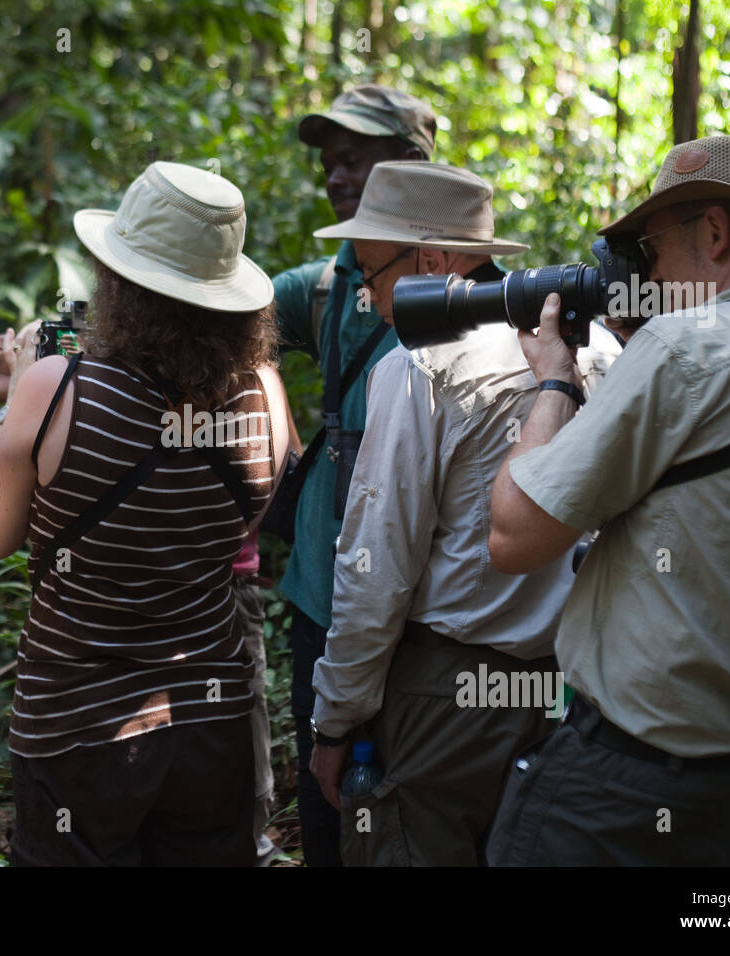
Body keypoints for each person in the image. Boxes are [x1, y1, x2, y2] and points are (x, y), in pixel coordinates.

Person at [486, 134, 730, 865]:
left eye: (651, 249)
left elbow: (513, 535)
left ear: (715, 233)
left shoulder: (687, 349)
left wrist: (555, 382)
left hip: (624, 793)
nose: (643, 273)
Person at [0, 161, 291, 866]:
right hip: (211, 720)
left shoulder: (56, 391)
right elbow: (233, 529)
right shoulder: (265, 393)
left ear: (120, 284)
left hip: (77, 726)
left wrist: (24, 388)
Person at [304, 161, 621, 865]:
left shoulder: (420, 367)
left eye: (371, 268)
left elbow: (375, 568)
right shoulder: (594, 357)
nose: (366, 290)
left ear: (430, 261)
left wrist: (335, 723)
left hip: (444, 704)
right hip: (564, 694)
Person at [271, 83, 439, 867]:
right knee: (329, 806)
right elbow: (210, 323)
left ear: (411, 169)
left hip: (424, 616)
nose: (337, 178)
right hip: (321, 597)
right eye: (330, 164)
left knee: (412, 810)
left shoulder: (473, 294)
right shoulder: (327, 287)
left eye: (356, 161)